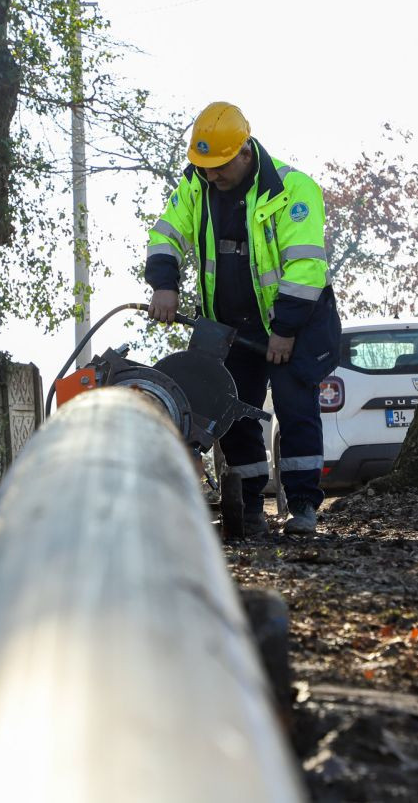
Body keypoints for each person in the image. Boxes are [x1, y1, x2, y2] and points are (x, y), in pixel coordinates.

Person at [144, 102, 341, 536]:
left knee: (295, 409)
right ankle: (250, 504)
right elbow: (165, 233)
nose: (212, 176)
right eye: (205, 167)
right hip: (230, 328)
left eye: (219, 167)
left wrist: (285, 330)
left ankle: (303, 507)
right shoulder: (195, 186)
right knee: (229, 413)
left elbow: (307, 267)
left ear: (245, 153)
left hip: (295, 322)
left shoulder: (293, 190)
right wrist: (164, 284)